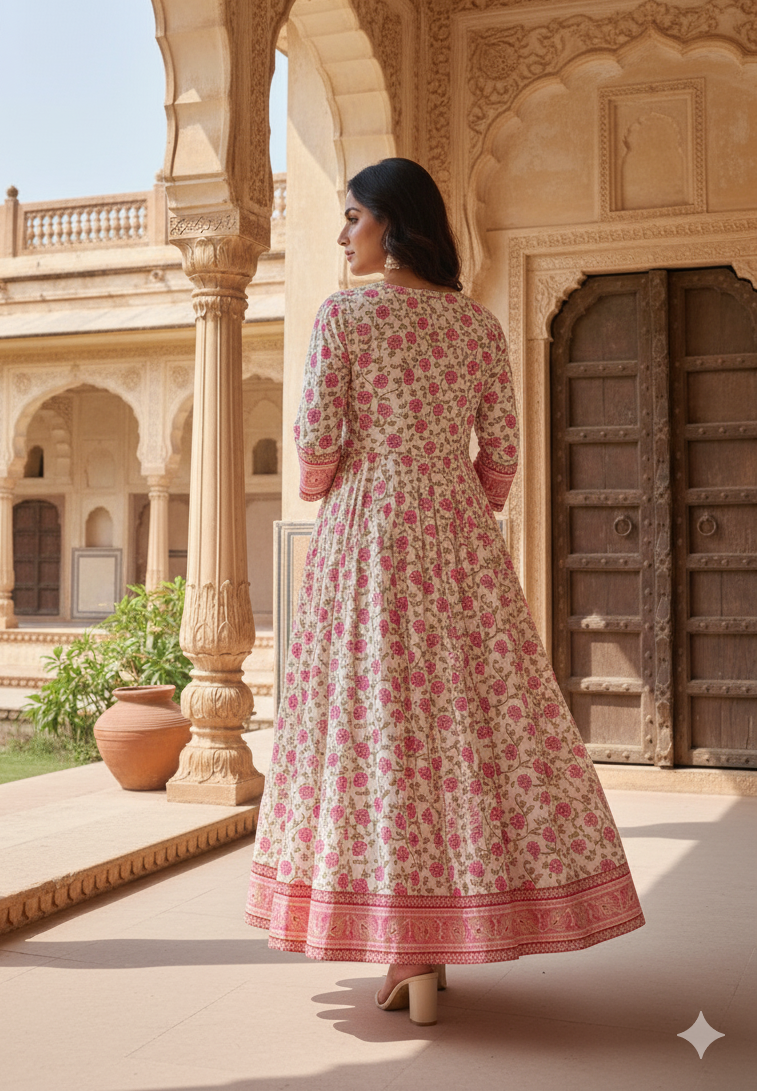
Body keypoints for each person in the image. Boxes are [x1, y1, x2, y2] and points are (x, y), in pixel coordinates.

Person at [245, 158, 644, 1026]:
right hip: (457, 539)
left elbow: (313, 447)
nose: (344, 234)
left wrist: (340, 479)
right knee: (462, 730)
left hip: (365, 542)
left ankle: (403, 945)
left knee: (377, 731)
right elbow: (502, 455)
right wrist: (460, 504)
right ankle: (438, 936)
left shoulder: (344, 317)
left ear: (391, 223)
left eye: (353, 217)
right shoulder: (474, 327)